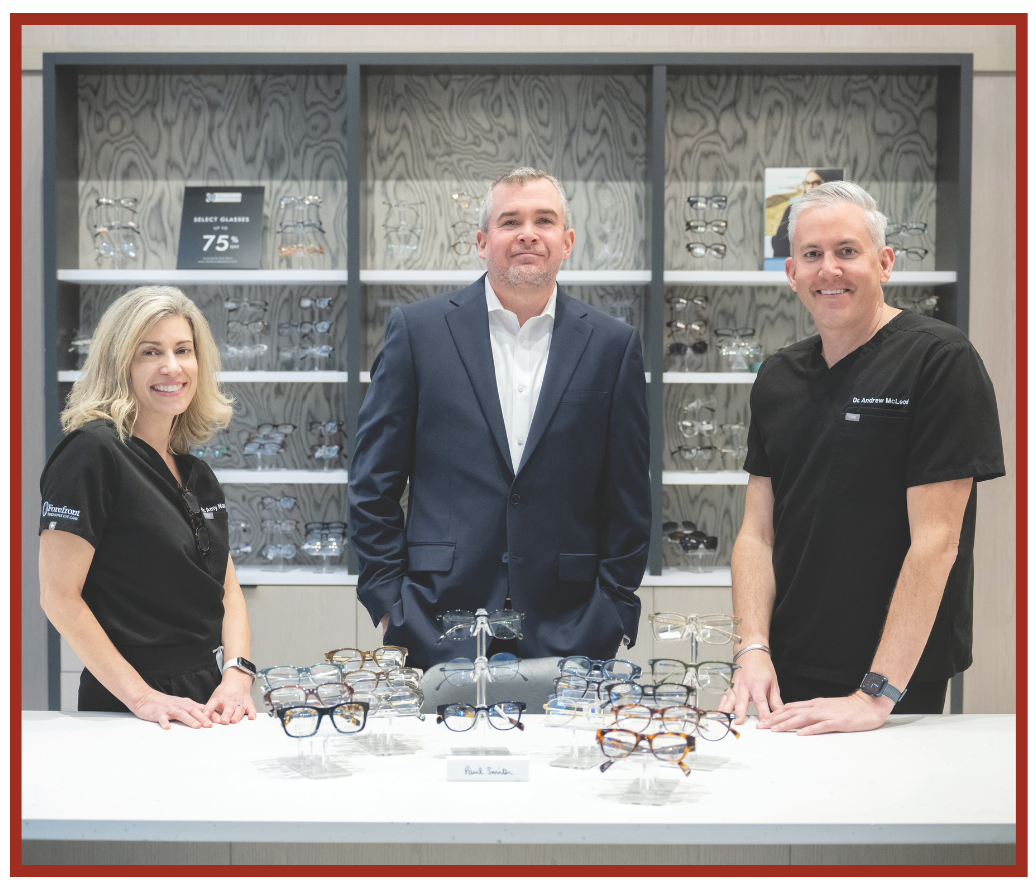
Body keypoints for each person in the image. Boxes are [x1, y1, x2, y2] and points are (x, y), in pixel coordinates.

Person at [720, 181, 1004, 734]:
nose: (830, 270)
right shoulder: (778, 375)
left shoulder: (940, 360)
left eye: (847, 251)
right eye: (812, 255)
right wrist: (752, 649)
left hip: (896, 681)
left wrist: (874, 695)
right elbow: (757, 533)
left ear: (885, 262)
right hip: (788, 666)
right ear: (792, 274)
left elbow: (937, 542)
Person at [350, 167, 652, 670]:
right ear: (482, 241)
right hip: (436, 622)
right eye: (510, 221)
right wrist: (388, 604)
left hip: (571, 626)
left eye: (545, 220)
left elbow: (630, 495)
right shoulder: (418, 332)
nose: (528, 233)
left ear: (567, 241)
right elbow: (372, 481)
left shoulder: (612, 345)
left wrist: (613, 608)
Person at [39, 286, 259, 729]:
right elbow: (59, 597)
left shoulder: (194, 472)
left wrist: (237, 674)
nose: (172, 367)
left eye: (183, 350)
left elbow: (228, 588)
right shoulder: (92, 453)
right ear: (119, 364)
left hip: (206, 697)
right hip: (130, 704)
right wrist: (142, 698)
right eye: (150, 352)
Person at [769, 168, 843, 258]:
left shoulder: (839, 211)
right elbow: (780, 246)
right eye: (807, 183)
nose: (811, 186)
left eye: (816, 182)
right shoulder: (793, 210)